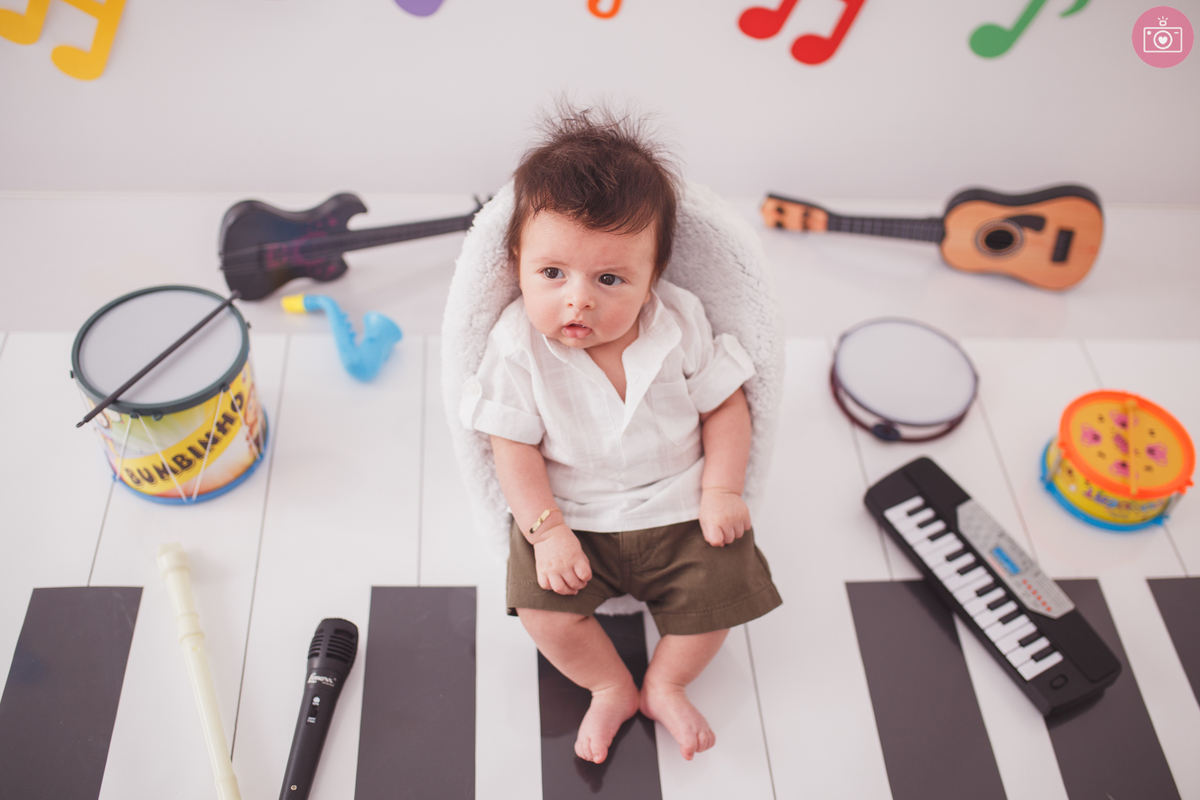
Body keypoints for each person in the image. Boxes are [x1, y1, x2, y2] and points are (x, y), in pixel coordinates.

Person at [460, 105, 781, 765]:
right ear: (518, 261)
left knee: (720, 593)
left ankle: (667, 680)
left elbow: (726, 407)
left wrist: (721, 489)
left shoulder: (680, 323)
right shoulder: (517, 346)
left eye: (609, 279)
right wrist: (546, 533)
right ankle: (607, 683)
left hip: (680, 508)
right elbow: (511, 446)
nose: (578, 300)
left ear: (651, 276)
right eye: (553, 274)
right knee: (545, 614)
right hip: (573, 519)